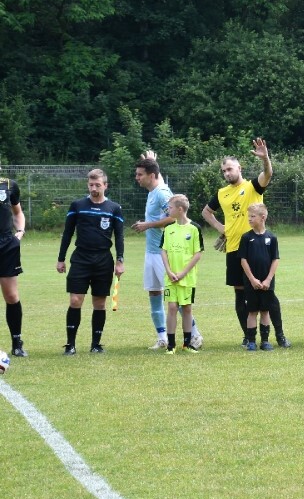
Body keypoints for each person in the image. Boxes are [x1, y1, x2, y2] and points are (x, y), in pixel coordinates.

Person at [202, 138, 288, 347]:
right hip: (235, 249)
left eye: (230, 169)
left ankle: (279, 335)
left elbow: (268, 174)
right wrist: (223, 229)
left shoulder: (252, 187)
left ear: (239, 168)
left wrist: (265, 158)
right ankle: (247, 337)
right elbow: (206, 212)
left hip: (259, 249)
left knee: (267, 294)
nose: (227, 173)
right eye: (224, 171)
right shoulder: (221, 193)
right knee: (240, 294)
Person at [133, 152, 202, 350]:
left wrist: (148, 225)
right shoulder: (154, 190)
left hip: (164, 253)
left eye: (140, 174)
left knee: (176, 297)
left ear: (151, 175)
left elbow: (173, 218)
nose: (137, 178)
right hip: (151, 251)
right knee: (154, 293)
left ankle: (194, 335)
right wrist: (153, 161)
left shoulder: (162, 193)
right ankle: (162, 337)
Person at [56, 169, 125, 354]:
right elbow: (68, 234)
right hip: (81, 258)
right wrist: (61, 259)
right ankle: (70, 345)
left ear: (105, 185)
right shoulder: (77, 205)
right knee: (75, 300)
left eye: (98, 185)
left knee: (99, 303)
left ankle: (96, 344)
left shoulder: (114, 208)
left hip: (103, 259)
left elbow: (119, 236)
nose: (94, 188)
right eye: (91, 185)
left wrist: (120, 260)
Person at [159, 194, 204, 353]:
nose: (167, 210)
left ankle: (187, 344)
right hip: (171, 277)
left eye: (170, 208)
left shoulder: (194, 228)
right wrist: (169, 271)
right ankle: (171, 345)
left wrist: (183, 272)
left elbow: (197, 253)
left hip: (187, 278)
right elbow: (163, 251)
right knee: (171, 307)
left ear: (180, 209)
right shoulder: (168, 229)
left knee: (186, 308)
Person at [238, 203, 280, 351]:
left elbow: (275, 259)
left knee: (265, 311)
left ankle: (265, 341)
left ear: (262, 218)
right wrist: (252, 279)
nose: (249, 219)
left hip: (267, 283)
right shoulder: (246, 238)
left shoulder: (272, 238)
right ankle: (251, 341)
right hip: (251, 283)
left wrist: (268, 279)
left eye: (252, 216)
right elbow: (243, 260)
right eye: (248, 216)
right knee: (252, 311)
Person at [0, 162, 26, 357]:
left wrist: (19, 233)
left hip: (7, 246)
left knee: (11, 296)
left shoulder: (9, 185)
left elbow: (18, 212)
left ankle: (17, 343)